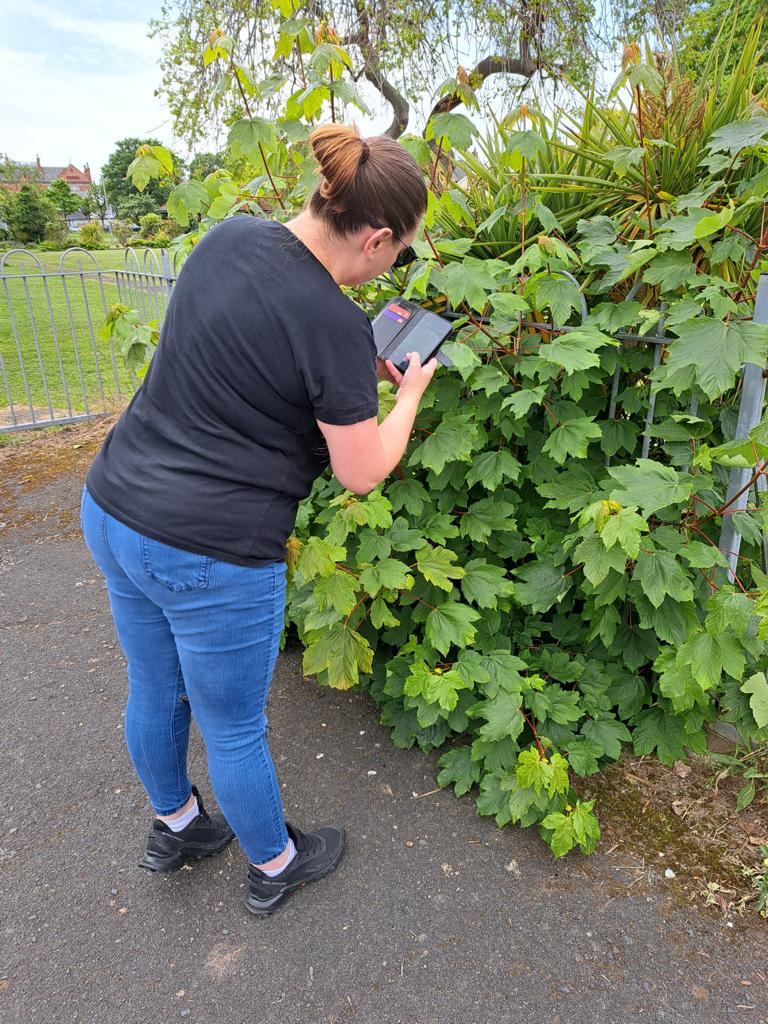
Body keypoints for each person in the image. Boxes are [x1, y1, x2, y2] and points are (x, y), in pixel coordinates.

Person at [80, 124, 436, 917]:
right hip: (209, 551)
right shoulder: (337, 325)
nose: (395, 263)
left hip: (113, 505)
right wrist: (405, 396)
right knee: (233, 726)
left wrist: (348, 376)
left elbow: (246, 352)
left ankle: (177, 827)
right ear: (377, 239)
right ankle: (274, 864)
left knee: (153, 685)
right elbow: (362, 470)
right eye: (402, 251)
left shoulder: (228, 237)